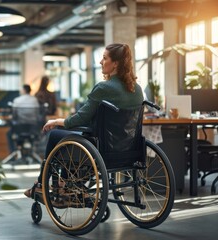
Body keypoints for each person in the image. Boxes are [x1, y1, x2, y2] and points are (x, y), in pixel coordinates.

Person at [24, 43, 144, 198]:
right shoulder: (137, 89)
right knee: (76, 136)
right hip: (128, 150)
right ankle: (68, 182)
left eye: (104, 58)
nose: (101, 62)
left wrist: (57, 121)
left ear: (115, 63)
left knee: (55, 135)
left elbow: (81, 118)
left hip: (102, 150)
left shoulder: (104, 88)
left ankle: (42, 184)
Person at [6, 84, 40, 153]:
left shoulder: (17, 100)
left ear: (24, 90)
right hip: (33, 128)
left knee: (9, 133)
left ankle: (14, 153)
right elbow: (37, 114)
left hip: (19, 128)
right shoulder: (35, 100)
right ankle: (31, 152)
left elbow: (14, 115)